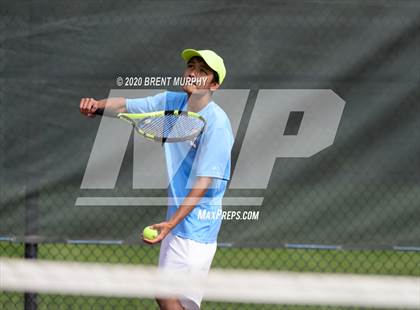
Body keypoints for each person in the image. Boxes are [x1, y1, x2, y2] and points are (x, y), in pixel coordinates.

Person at [79, 49, 234, 310]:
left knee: (170, 297)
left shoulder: (217, 124)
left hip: (197, 228)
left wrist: (172, 223)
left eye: (202, 72)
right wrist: (96, 106)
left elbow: (204, 183)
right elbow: (126, 105)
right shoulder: (172, 102)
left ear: (214, 85)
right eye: (191, 66)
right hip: (176, 222)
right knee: (165, 297)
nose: (193, 73)